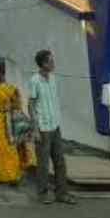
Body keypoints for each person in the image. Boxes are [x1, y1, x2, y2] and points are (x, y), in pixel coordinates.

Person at [28, 50, 75, 205]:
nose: (53, 63)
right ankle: (42, 194)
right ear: (43, 63)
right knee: (43, 164)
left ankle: (62, 193)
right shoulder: (34, 81)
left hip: (55, 125)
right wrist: (35, 129)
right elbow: (31, 105)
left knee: (60, 161)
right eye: (51, 61)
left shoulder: (53, 78)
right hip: (42, 128)